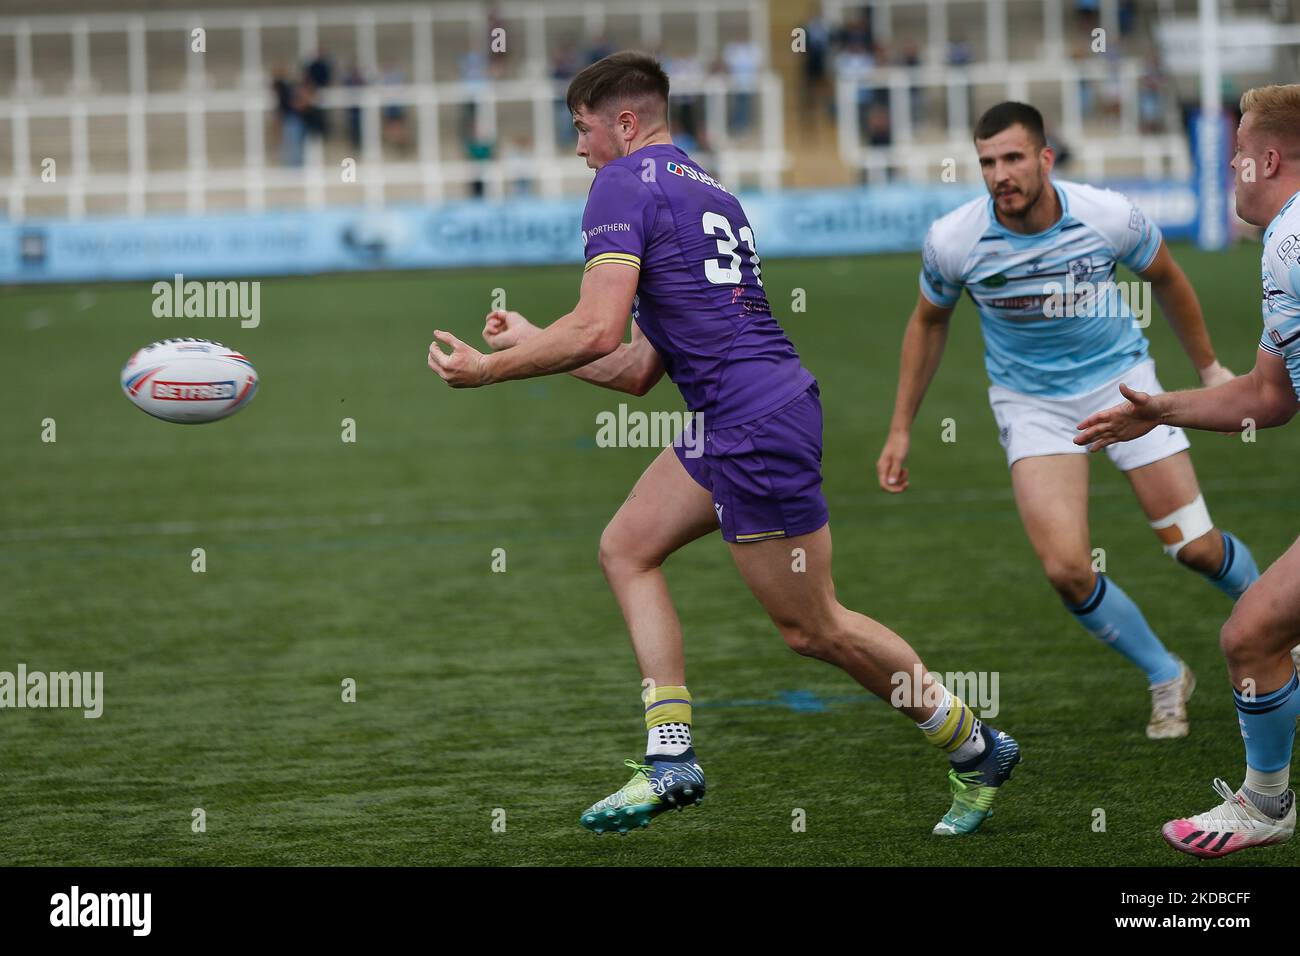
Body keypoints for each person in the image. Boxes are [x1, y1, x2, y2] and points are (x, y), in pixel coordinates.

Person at [428, 51, 1021, 837]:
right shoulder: (710, 192)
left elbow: (601, 328)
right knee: (626, 548)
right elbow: (640, 367)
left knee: (817, 628)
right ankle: (671, 754)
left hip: (753, 426)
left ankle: (973, 744)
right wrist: (538, 338)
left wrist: (490, 368)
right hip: (741, 416)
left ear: (625, 123)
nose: (580, 148)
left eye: (583, 129)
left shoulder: (619, 185)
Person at [877, 101, 1259, 740]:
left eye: (1014, 158)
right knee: (1067, 570)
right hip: (1032, 407)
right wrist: (899, 428)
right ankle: (1166, 675)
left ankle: (1282, 628)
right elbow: (928, 322)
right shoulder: (954, 240)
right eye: (988, 162)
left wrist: (1211, 369)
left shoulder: (1106, 215)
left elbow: (1166, 277)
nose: (1001, 174)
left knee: (1193, 546)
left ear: (1045, 158)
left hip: (1126, 389)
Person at [1076, 85, 1300, 859]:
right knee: (1255, 633)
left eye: (1239, 151)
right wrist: (1162, 409)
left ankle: (1267, 805)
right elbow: (1271, 396)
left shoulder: (1292, 241)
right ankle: (1265, 804)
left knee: (1252, 636)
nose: (1230, 164)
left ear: (1268, 158)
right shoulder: (1283, 242)